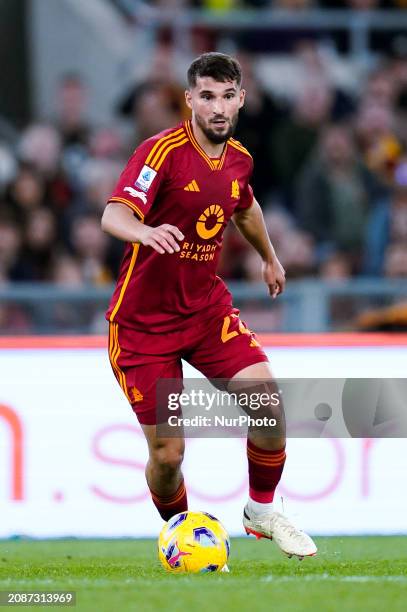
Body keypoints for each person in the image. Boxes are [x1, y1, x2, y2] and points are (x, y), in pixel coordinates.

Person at [101, 52, 316, 560]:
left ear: (240, 99)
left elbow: (244, 206)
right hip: (142, 326)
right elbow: (113, 215)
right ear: (190, 100)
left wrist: (269, 257)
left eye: (226, 96)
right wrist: (145, 230)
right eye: (207, 96)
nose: (217, 107)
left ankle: (261, 512)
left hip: (204, 311)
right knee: (168, 453)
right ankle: (181, 532)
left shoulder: (239, 158)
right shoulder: (161, 152)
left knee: (267, 404)